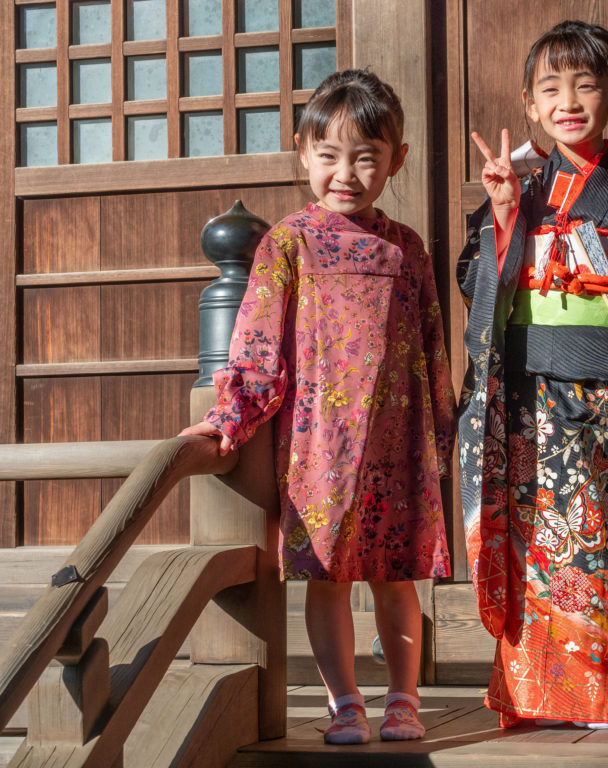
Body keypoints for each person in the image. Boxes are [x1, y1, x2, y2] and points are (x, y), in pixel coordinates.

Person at [179, 69, 456, 745]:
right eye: (329, 156)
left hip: (396, 441)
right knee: (327, 577)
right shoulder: (288, 243)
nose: (347, 173)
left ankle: (403, 698)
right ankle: (345, 702)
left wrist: (442, 436)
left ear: (397, 159)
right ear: (304, 153)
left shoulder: (408, 249)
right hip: (317, 445)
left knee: (395, 576)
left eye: (367, 157)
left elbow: (432, 348)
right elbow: (257, 347)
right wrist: (231, 417)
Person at [457, 20, 608, 728]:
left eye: (586, 85)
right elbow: (482, 292)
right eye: (550, 88)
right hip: (529, 402)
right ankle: (534, 696)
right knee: (536, 549)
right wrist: (504, 214)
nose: (568, 100)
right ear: (530, 105)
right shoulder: (517, 192)